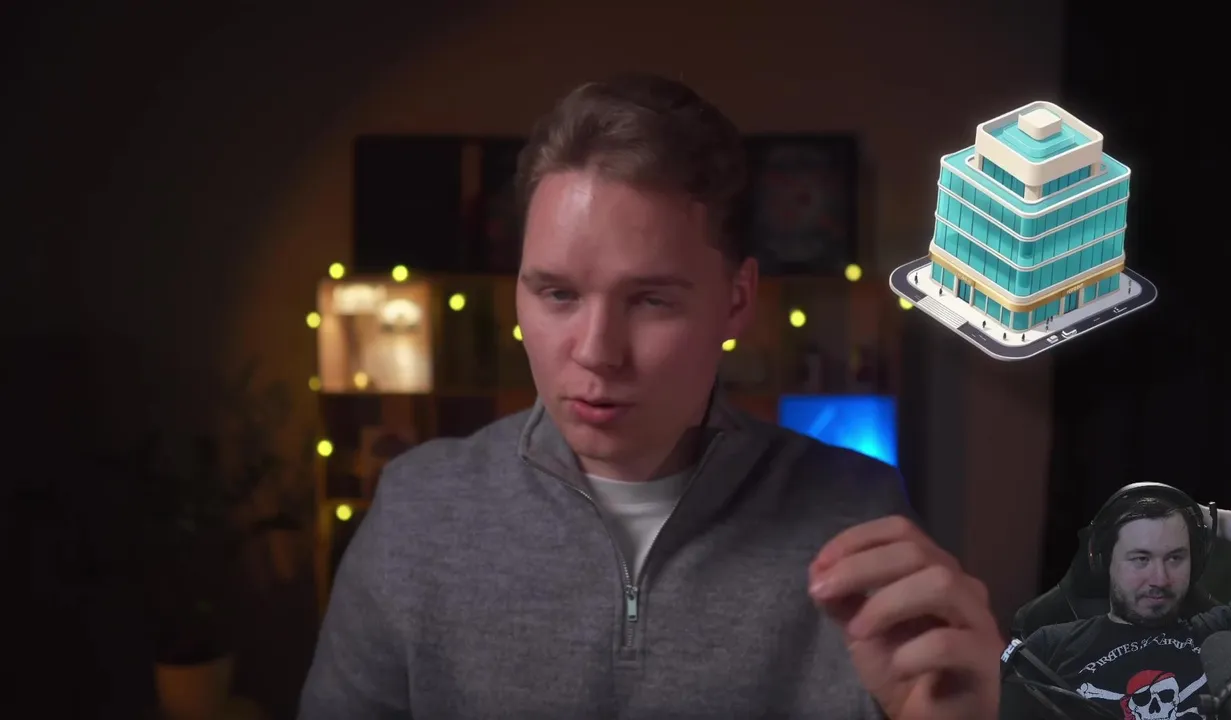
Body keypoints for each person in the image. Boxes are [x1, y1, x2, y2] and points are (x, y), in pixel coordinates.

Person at [299, 73, 1004, 719]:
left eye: (651, 300)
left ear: (737, 301)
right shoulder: (418, 511)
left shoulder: (856, 515)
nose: (597, 351)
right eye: (557, 294)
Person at [999, 487, 1231, 719]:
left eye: (1175, 558)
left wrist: (1206, 517)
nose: (1160, 578)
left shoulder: (1223, 639)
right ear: (1104, 561)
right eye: (1141, 559)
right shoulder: (1047, 648)